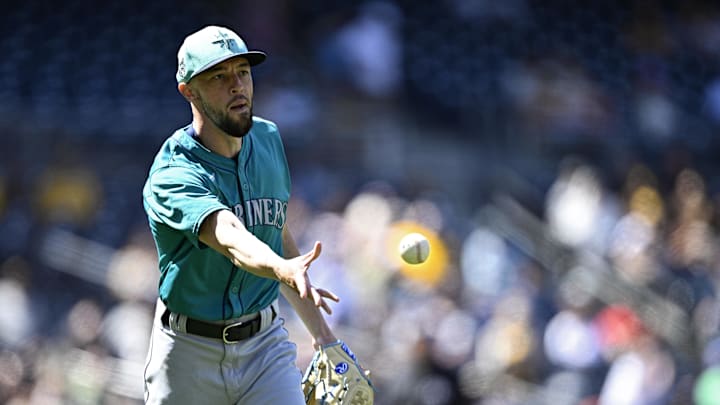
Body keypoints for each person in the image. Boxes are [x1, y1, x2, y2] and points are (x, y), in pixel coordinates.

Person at [142, 25, 341, 404]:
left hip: (264, 348)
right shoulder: (173, 173)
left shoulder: (268, 140)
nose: (237, 85)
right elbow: (229, 236)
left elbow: (275, 233)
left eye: (243, 72)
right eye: (219, 76)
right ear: (189, 91)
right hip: (188, 355)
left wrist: (322, 335)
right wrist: (282, 268)